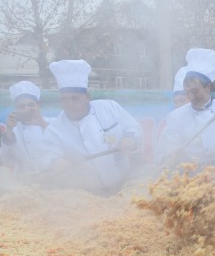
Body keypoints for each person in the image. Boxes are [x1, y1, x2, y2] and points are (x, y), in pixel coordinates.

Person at [44, 59, 143, 195]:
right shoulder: (54, 130)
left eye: (75, 98)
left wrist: (130, 138)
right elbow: (49, 157)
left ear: (87, 97)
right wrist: (56, 162)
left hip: (123, 184)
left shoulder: (109, 108)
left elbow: (133, 127)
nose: (70, 104)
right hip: (87, 194)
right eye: (64, 99)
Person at [0, 81, 59, 175]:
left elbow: (65, 144)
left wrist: (41, 123)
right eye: (21, 106)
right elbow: (5, 158)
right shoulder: (13, 132)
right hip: (26, 182)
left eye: (31, 105)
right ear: (15, 108)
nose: (26, 109)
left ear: (38, 105)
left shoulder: (53, 122)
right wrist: (9, 131)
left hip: (55, 178)